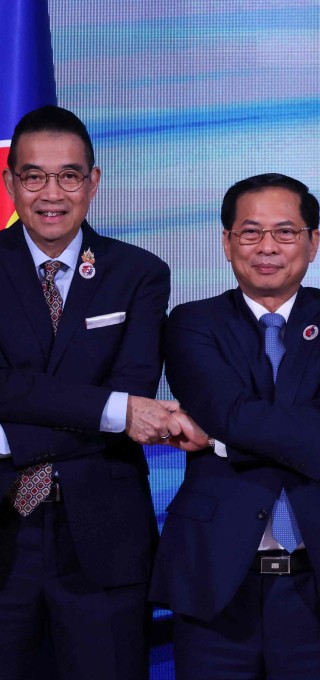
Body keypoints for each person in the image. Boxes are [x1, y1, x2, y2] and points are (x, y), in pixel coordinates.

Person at [149, 173, 320, 680]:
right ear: (227, 243)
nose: (267, 247)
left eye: (286, 232)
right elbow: (229, 411)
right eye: (250, 233)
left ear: (313, 242)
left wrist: (215, 439)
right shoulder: (191, 322)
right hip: (216, 583)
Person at [0, 105, 178, 679]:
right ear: (9, 182)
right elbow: (121, 410)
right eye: (33, 176)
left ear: (93, 182)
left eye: (69, 175)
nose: (52, 193)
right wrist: (111, 411)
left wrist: (6, 434)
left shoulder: (139, 273)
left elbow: (133, 391)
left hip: (103, 538)